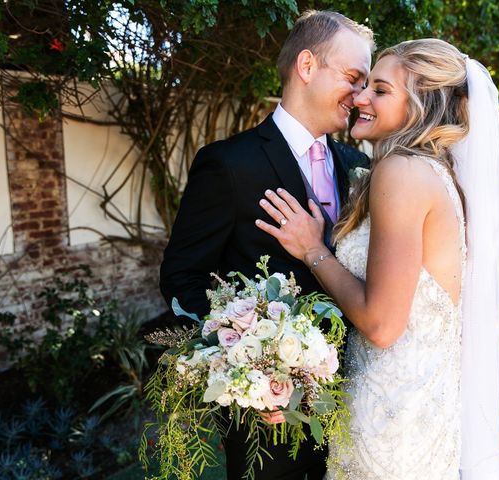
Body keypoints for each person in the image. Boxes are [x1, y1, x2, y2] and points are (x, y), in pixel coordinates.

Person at [256, 39, 499, 479]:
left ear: (420, 106)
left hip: (390, 420)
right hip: (421, 412)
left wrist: (313, 250)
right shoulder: (438, 173)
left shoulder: (402, 173)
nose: (361, 98)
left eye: (381, 90)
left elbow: (382, 324)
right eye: (364, 85)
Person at [160, 10, 374, 480]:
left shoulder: (358, 164)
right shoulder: (228, 164)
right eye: (355, 78)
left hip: (356, 398)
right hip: (269, 416)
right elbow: (182, 278)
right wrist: (248, 371)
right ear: (306, 66)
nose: (361, 96)